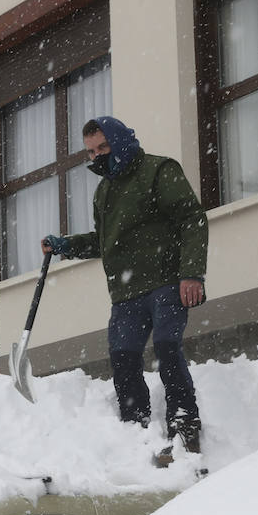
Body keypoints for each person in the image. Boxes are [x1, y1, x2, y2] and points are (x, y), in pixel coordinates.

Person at [42, 116, 208, 457]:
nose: (97, 156)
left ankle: (184, 424)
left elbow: (192, 218)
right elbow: (106, 242)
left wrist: (192, 273)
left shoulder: (159, 171)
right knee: (123, 358)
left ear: (120, 140)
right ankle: (136, 431)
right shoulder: (105, 191)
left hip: (165, 281)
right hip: (126, 293)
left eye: (103, 147)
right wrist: (65, 246)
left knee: (166, 346)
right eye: (90, 151)